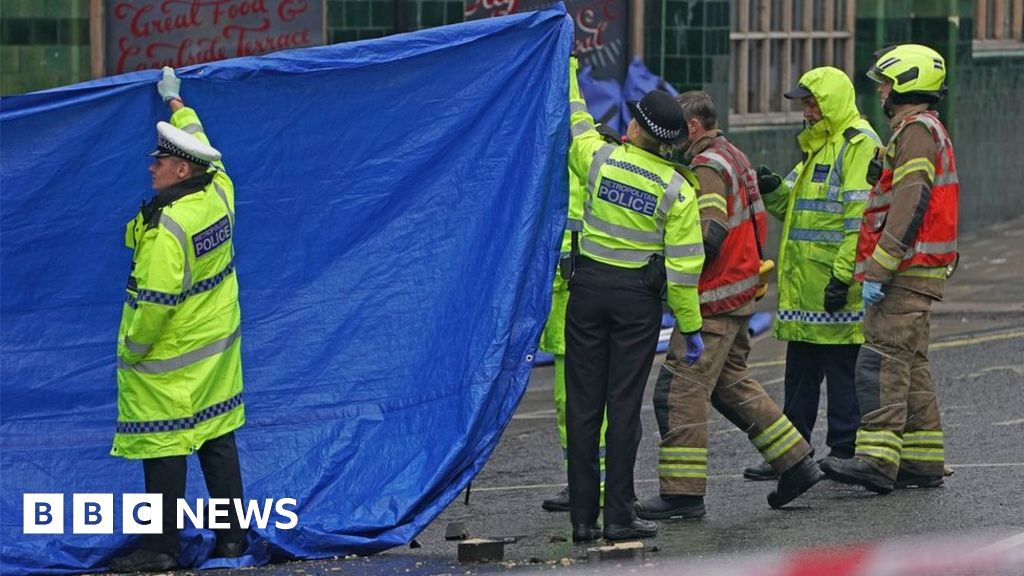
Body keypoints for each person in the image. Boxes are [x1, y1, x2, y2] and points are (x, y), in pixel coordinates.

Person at [635, 91, 822, 519]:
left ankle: (682, 494)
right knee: (731, 384)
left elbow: (711, 230)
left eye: (677, 129)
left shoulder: (707, 166)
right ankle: (796, 462)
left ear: (693, 126)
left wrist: (671, 272)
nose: (669, 138)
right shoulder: (733, 155)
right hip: (739, 292)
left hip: (714, 298)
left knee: (680, 390)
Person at [110, 67, 247, 572]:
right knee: (216, 439)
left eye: (160, 161)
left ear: (182, 171)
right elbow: (201, 140)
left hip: (168, 360)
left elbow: (154, 305)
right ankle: (232, 541)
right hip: (216, 349)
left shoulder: (168, 231)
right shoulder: (219, 190)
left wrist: (132, 350)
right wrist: (175, 103)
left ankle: (160, 549)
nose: (152, 167)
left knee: (161, 444)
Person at [564, 57, 704, 543]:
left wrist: (567, 71)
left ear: (635, 127)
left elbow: (576, 123)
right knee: (623, 409)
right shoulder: (677, 191)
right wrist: (690, 326)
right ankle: (619, 518)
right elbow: (684, 271)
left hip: (587, 291)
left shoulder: (599, 159)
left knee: (583, 407)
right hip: (636, 304)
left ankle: (582, 519)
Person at [821, 44, 957, 494]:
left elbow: (910, 200)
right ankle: (921, 460)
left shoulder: (917, 132)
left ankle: (876, 460)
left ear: (904, 85)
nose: (880, 91)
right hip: (919, 269)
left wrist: (880, 267)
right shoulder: (920, 131)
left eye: (886, 83)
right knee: (910, 364)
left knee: (879, 361)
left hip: (904, 269)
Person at [744, 67, 881, 481]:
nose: (805, 112)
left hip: (833, 285)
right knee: (800, 375)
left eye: (811, 103)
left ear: (831, 102)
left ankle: (844, 450)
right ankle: (791, 453)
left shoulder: (858, 144)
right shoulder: (817, 146)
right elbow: (795, 208)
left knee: (842, 372)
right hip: (806, 290)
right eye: (804, 104)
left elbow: (858, 219)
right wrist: (772, 188)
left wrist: (842, 277)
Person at [540, 127, 621, 514]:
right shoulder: (570, 164)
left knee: (582, 400)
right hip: (570, 300)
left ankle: (593, 485)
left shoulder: (587, 168)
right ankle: (583, 482)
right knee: (571, 401)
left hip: (578, 298)